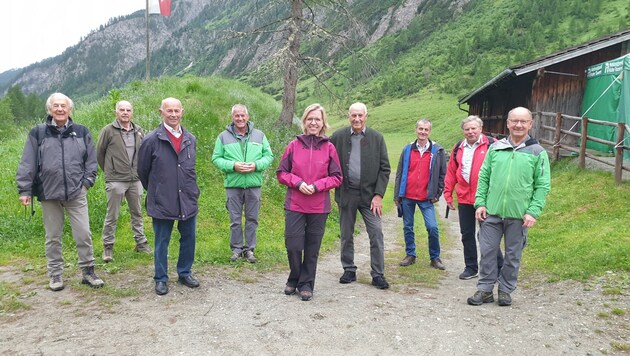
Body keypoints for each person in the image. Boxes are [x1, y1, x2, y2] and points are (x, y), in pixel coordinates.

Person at [16, 92, 104, 291]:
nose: (60, 109)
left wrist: (86, 183)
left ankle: (88, 271)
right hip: (49, 193)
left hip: (76, 192)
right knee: (53, 236)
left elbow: (91, 161)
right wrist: (25, 189)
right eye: (55, 106)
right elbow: (27, 162)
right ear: (49, 109)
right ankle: (55, 275)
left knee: (83, 233)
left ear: (70, 109)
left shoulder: (81, 131)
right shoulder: (38, 133)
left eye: (63, 106)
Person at [467, 107, 551, 307]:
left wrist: (533, 211)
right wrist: (480, 203)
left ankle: (505, 290)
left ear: (530, 124)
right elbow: (484, 177)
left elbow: (542, 185)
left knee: (513, 255)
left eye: (523, 121)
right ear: (508, 123)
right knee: (488, 252)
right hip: (492, 213)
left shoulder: (537, 152)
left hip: (519, 216)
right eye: (514, 121)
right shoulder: (495, 148)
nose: (518, 125)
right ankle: (485, 290)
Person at [277, 104, 343, 301]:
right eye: (310, 119)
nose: (313, 122)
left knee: (312, 248)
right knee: (293, 245)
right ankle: (294, 277)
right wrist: (298, 183)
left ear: (323, 123)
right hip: (295, 204)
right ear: (304, 121)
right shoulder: (293, 146)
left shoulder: (329, 148)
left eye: (317, 119)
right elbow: (282, 173)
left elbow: (337, 177)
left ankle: (306, 284)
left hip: (318, 206)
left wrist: (317, 186)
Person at [137, 97, 200, 296]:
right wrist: (157, 190)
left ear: (182, 111)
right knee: (162, 241)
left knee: (189, 238)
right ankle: (161, 278)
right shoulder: (151, 139)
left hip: (187, 199)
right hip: (162, 200)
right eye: (169, 111)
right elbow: (142, 171)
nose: (173, 114)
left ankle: (184, 272)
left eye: (176, 110)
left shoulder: (190, 139)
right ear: (161, 112)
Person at [330, 102, 391, 289]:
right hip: (346, 194)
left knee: (376, 233)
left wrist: (379, 195)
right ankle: (349, 269)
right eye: (353, 115)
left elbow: (385, 168)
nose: (357, 119)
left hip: (370, 197)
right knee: (346, 234)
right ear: (349, 116)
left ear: (366, 116)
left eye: (360, 115)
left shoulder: (377, 138)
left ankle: (378, 274)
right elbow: (325, 158)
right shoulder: (338, 137)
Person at [212, 104, 274, 263]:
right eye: (236, 116)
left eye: (242, 116)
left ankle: (249, 250)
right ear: (232, 117)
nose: (240, 119)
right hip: (233, 185)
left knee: (252, 219)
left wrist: (256, 166)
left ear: (248, 117)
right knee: (235, 220)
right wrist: (233, 166)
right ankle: (236, 249)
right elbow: (216, 158)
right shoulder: (223, 137)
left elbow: (268, 156)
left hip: (254, 185)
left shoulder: (259, 135)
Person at [444, 115, 503, 280]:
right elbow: (451, 172)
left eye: (473, 128)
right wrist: (448, 194)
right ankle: (471, 267)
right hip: (464, 198)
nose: (470, 132)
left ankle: (498, 268)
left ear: (480, 129)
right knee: (467, 234)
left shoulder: (493, 145)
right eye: (467, 129)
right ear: (463, 131)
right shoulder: (458, 147)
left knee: (489, 235)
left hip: (485, 199)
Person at [96, 100, 151, 262]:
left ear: (132, 112)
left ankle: (141, 243)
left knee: (138, 213)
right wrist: (109, 170)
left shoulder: (139, 130)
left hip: (135, 179)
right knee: (112, 215)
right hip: (116, 180)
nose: (125, 112)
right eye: (122, 110)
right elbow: (100, 153)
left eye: (128, 110)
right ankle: (108, 247)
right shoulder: (108, 131)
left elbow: (144, 153)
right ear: (116, 112)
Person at [394, 119, 447, 270]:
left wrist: (438, 193)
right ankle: (410, 254)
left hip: (426, 197)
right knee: (408, 226)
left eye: (426, 129)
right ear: (416, 130)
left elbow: (443, 174)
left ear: (429, 132)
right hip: (407, 196)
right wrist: (397, 195)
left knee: (432, 227)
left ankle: (435, 258)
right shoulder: (407, 149)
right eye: (420, 129)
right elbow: (399, 173)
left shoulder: (437, 151)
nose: (423, 132)